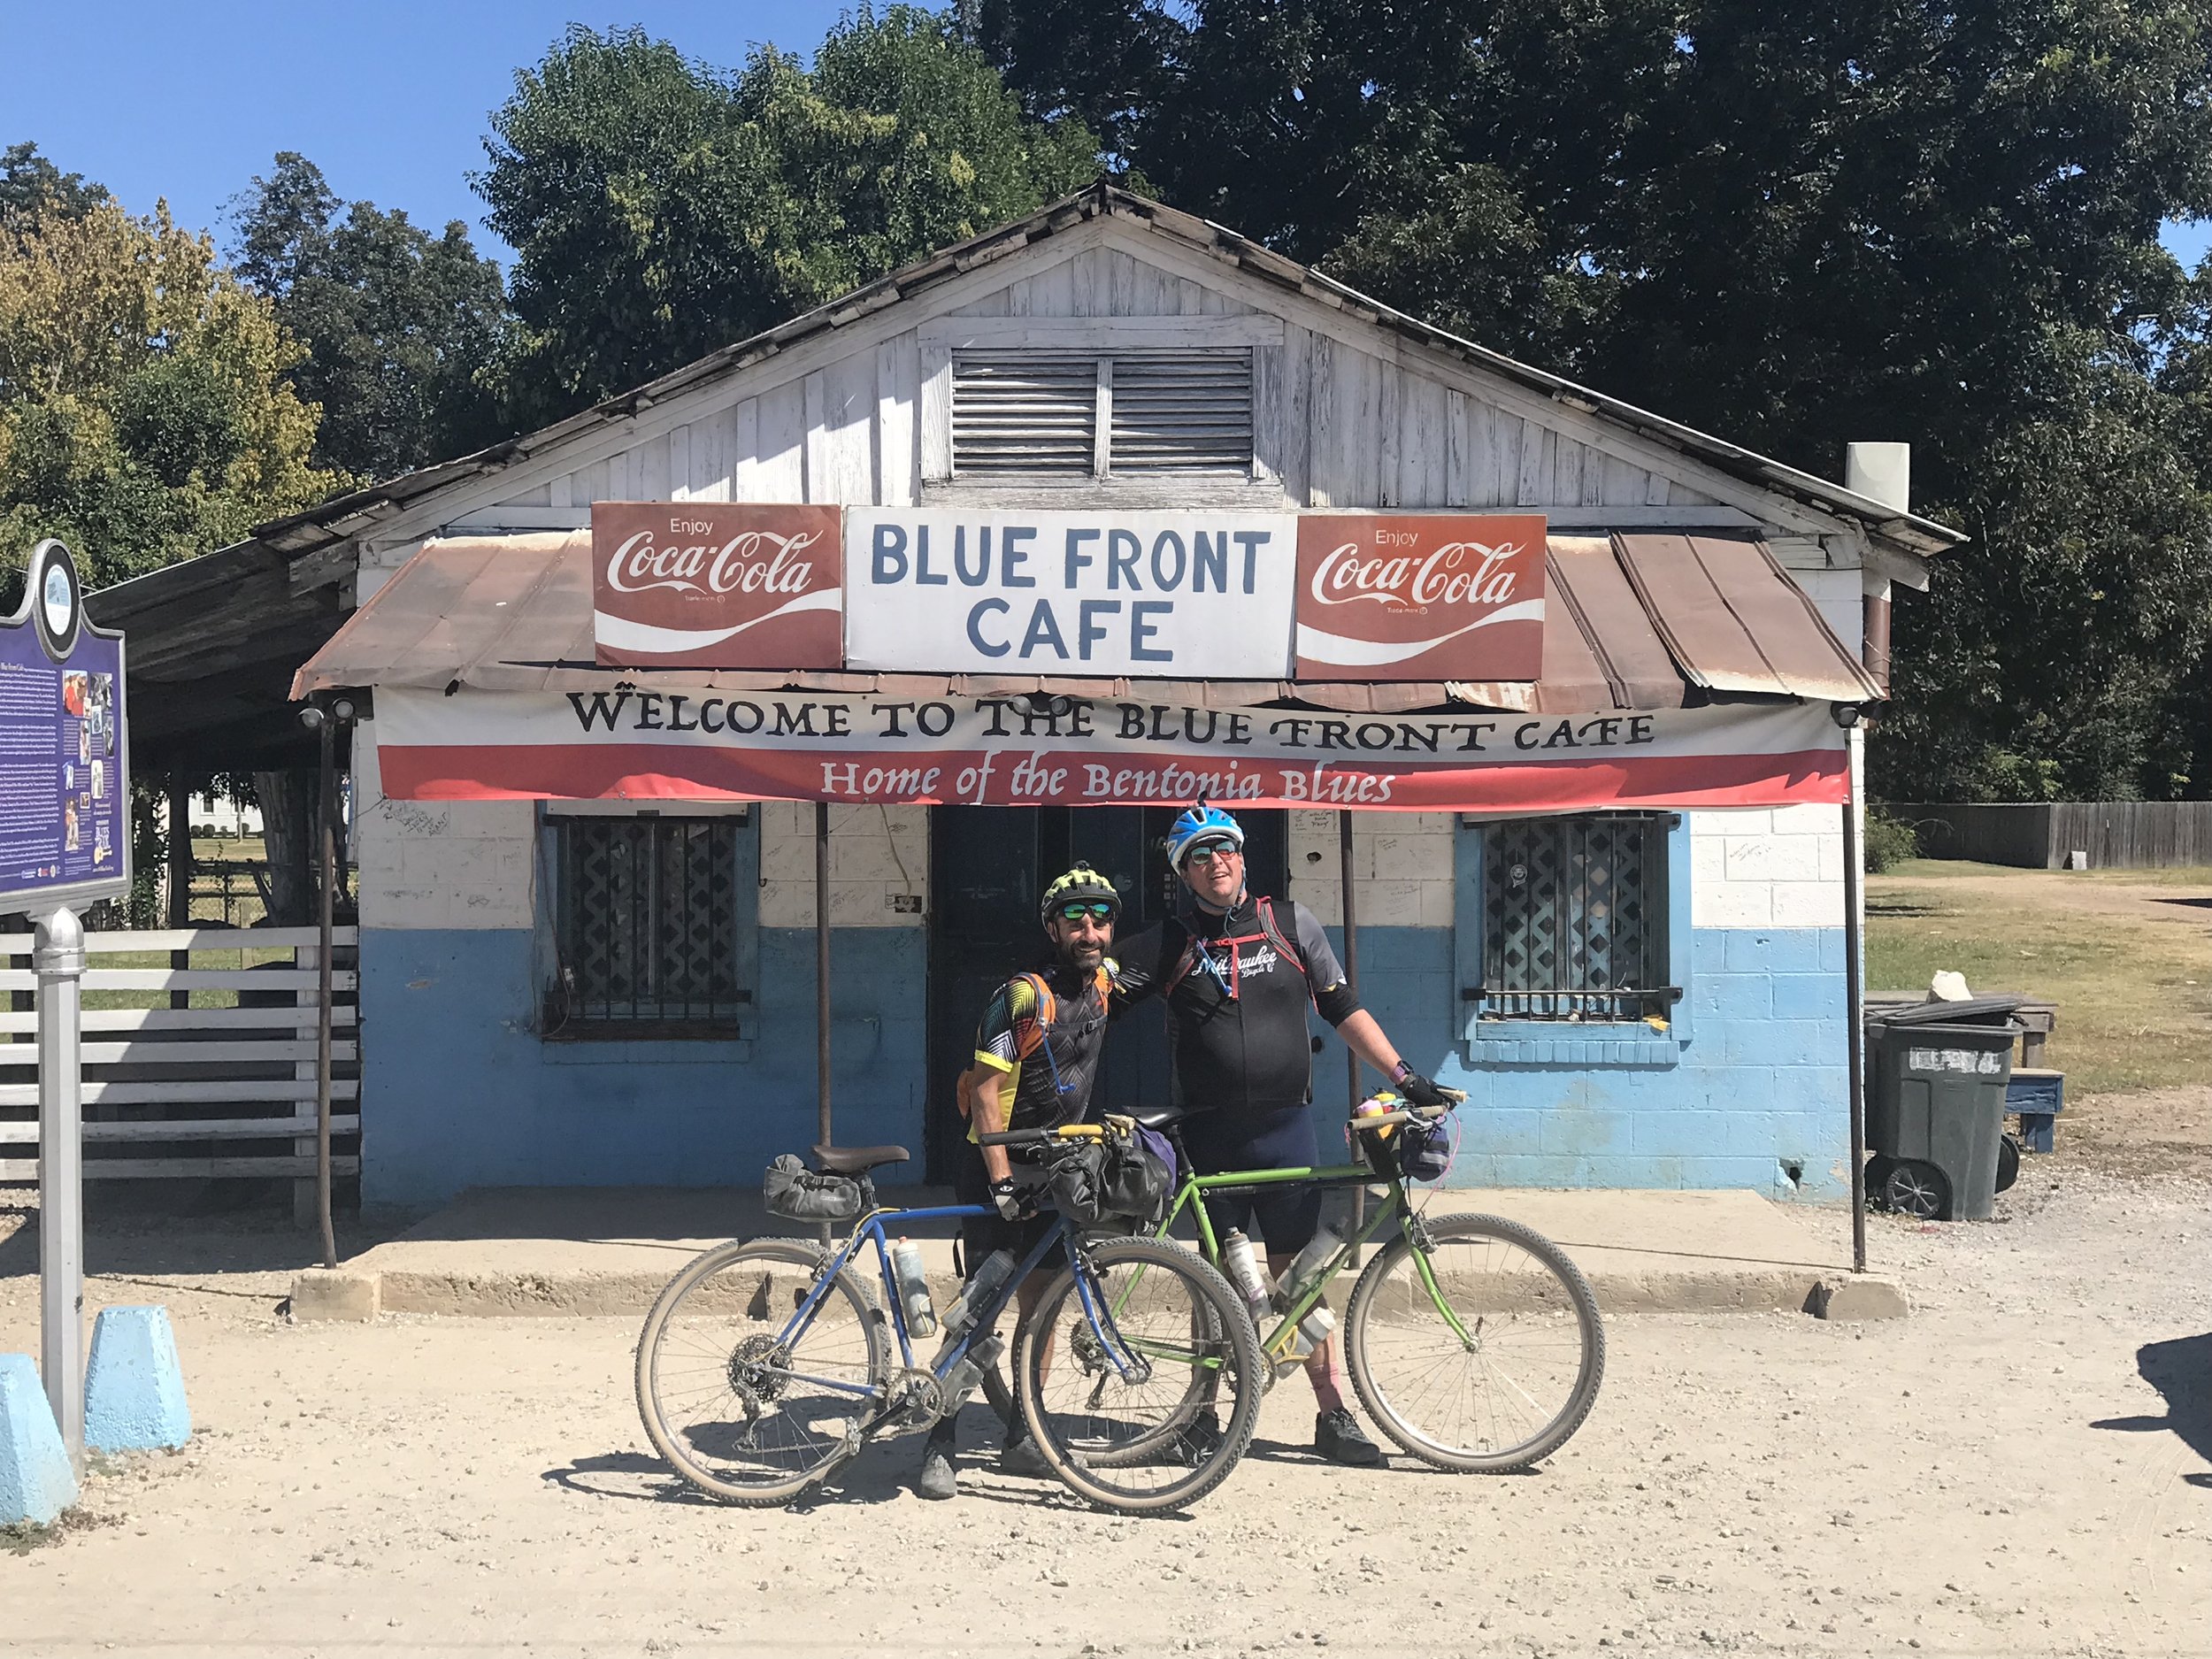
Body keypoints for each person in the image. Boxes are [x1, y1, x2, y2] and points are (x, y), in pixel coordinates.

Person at [1115, 803, 1449, 1467]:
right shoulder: (1171, 942)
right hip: (1209, 1136)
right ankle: (1202, 1414)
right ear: (1183, 872)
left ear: (1243, 856)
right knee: (1213, 1280)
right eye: (1199, 856)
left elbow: (1343, 1007)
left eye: (1225, 849)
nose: (1216, 862)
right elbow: (1091, 997)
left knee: (1300, 1277)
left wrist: (1405, 1075)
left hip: (1285, 1131)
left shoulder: (1290, 923)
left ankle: (1332, 1412)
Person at [917, 863, 1123, 1501]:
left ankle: (1021, 1434)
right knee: (978, 1309)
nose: (1089, 931)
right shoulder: (1020, 996)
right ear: (1051, 927)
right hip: (996, 1167)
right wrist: (1002, 1181)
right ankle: (938, 1440)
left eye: (1100, 918)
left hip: (1056, 1166)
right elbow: (984, 1088)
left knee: (1043, 1306)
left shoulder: (1106, 983)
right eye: (1074, 919)